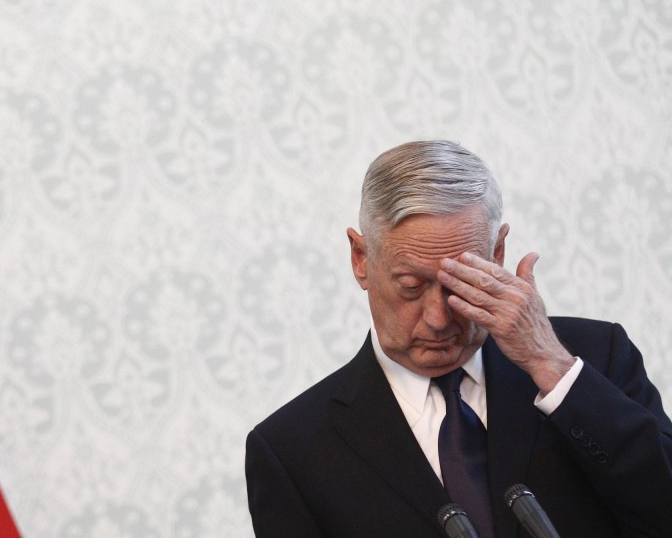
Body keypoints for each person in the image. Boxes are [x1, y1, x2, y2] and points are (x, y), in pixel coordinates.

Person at [245, 140, 672, 537]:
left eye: (459, 285)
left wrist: (551, 365)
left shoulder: (596, 357)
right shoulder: (291, 450)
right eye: (411, 285)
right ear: (361, 259)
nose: (437, 318)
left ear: (497, 254)